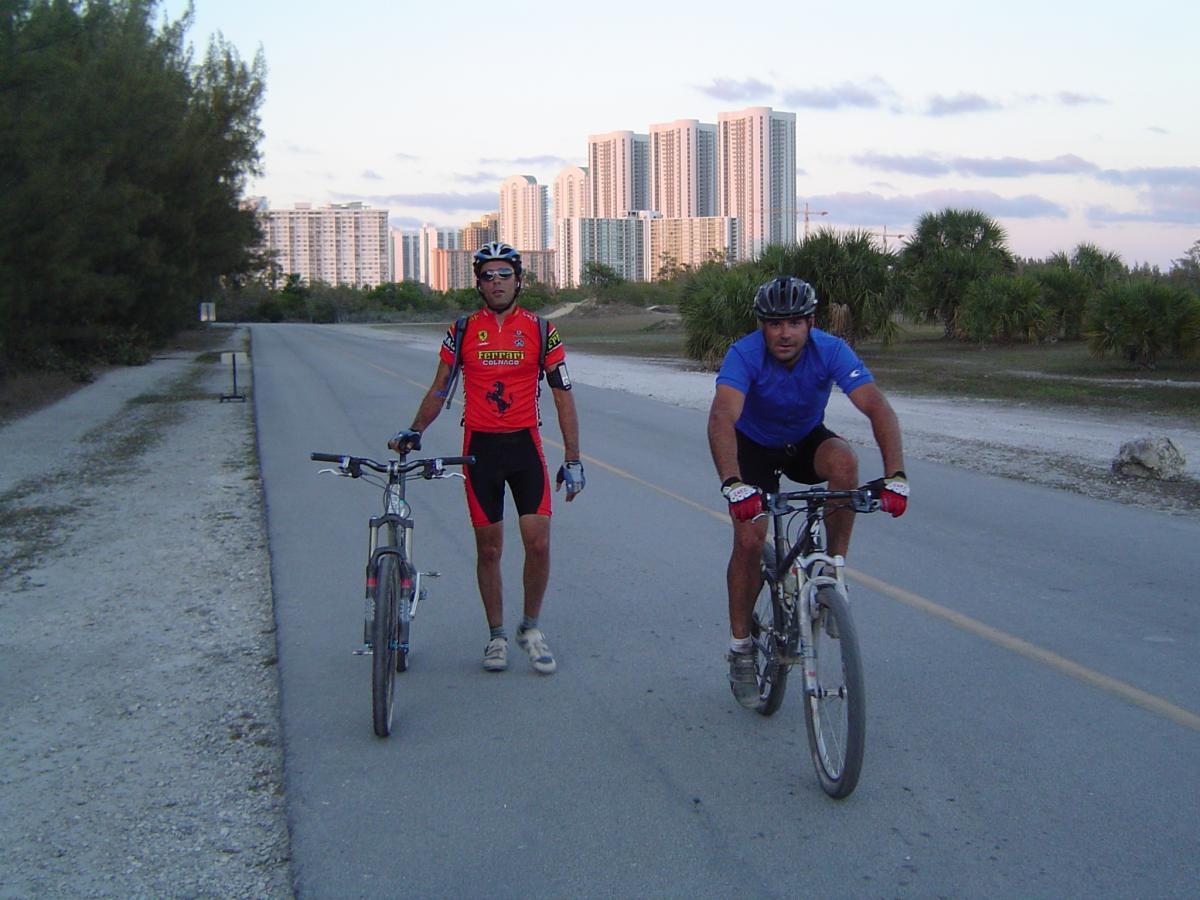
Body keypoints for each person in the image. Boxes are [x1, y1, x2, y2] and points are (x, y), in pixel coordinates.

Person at [706, 276, 908, 707]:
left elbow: (876, 406)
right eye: (775, 323)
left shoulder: (830, 349)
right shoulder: (745, 354)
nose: (785, 333)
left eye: (795, 323)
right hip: (753, 448)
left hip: (803, 440)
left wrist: (896, 475)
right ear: (762, 325)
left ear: (810, 323)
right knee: (749, 538)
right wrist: (734, 483)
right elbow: (723, 416)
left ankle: (833, 571)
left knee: (844, 462)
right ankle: (741, 648)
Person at [390, 242, 584, 675]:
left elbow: (562, 394)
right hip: (479, 451)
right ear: (477, 283)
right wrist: (415, 430)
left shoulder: (540, 330)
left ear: (519, 280)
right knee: (490, 548)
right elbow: (442, 387)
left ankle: (530, 628)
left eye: (504, 274)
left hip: (525, 446)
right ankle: (496, 636)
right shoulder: (462, 330)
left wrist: (573, 458)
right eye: (488, 276)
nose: (496, 282)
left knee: (538, 541)